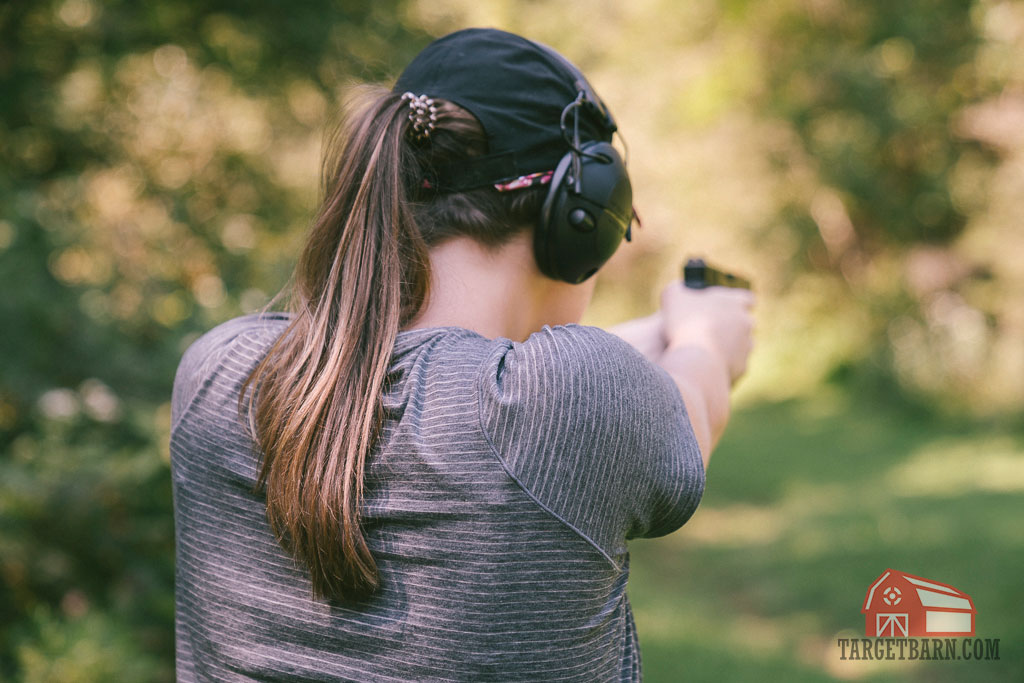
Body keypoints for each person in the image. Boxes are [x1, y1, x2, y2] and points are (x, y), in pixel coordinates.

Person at [170, 27, 754, 682]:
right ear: (580, 213)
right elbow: (690, 399)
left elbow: (431, 382)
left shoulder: (219, 374)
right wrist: (704, 333)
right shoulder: (569, 403)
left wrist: (646, 337)